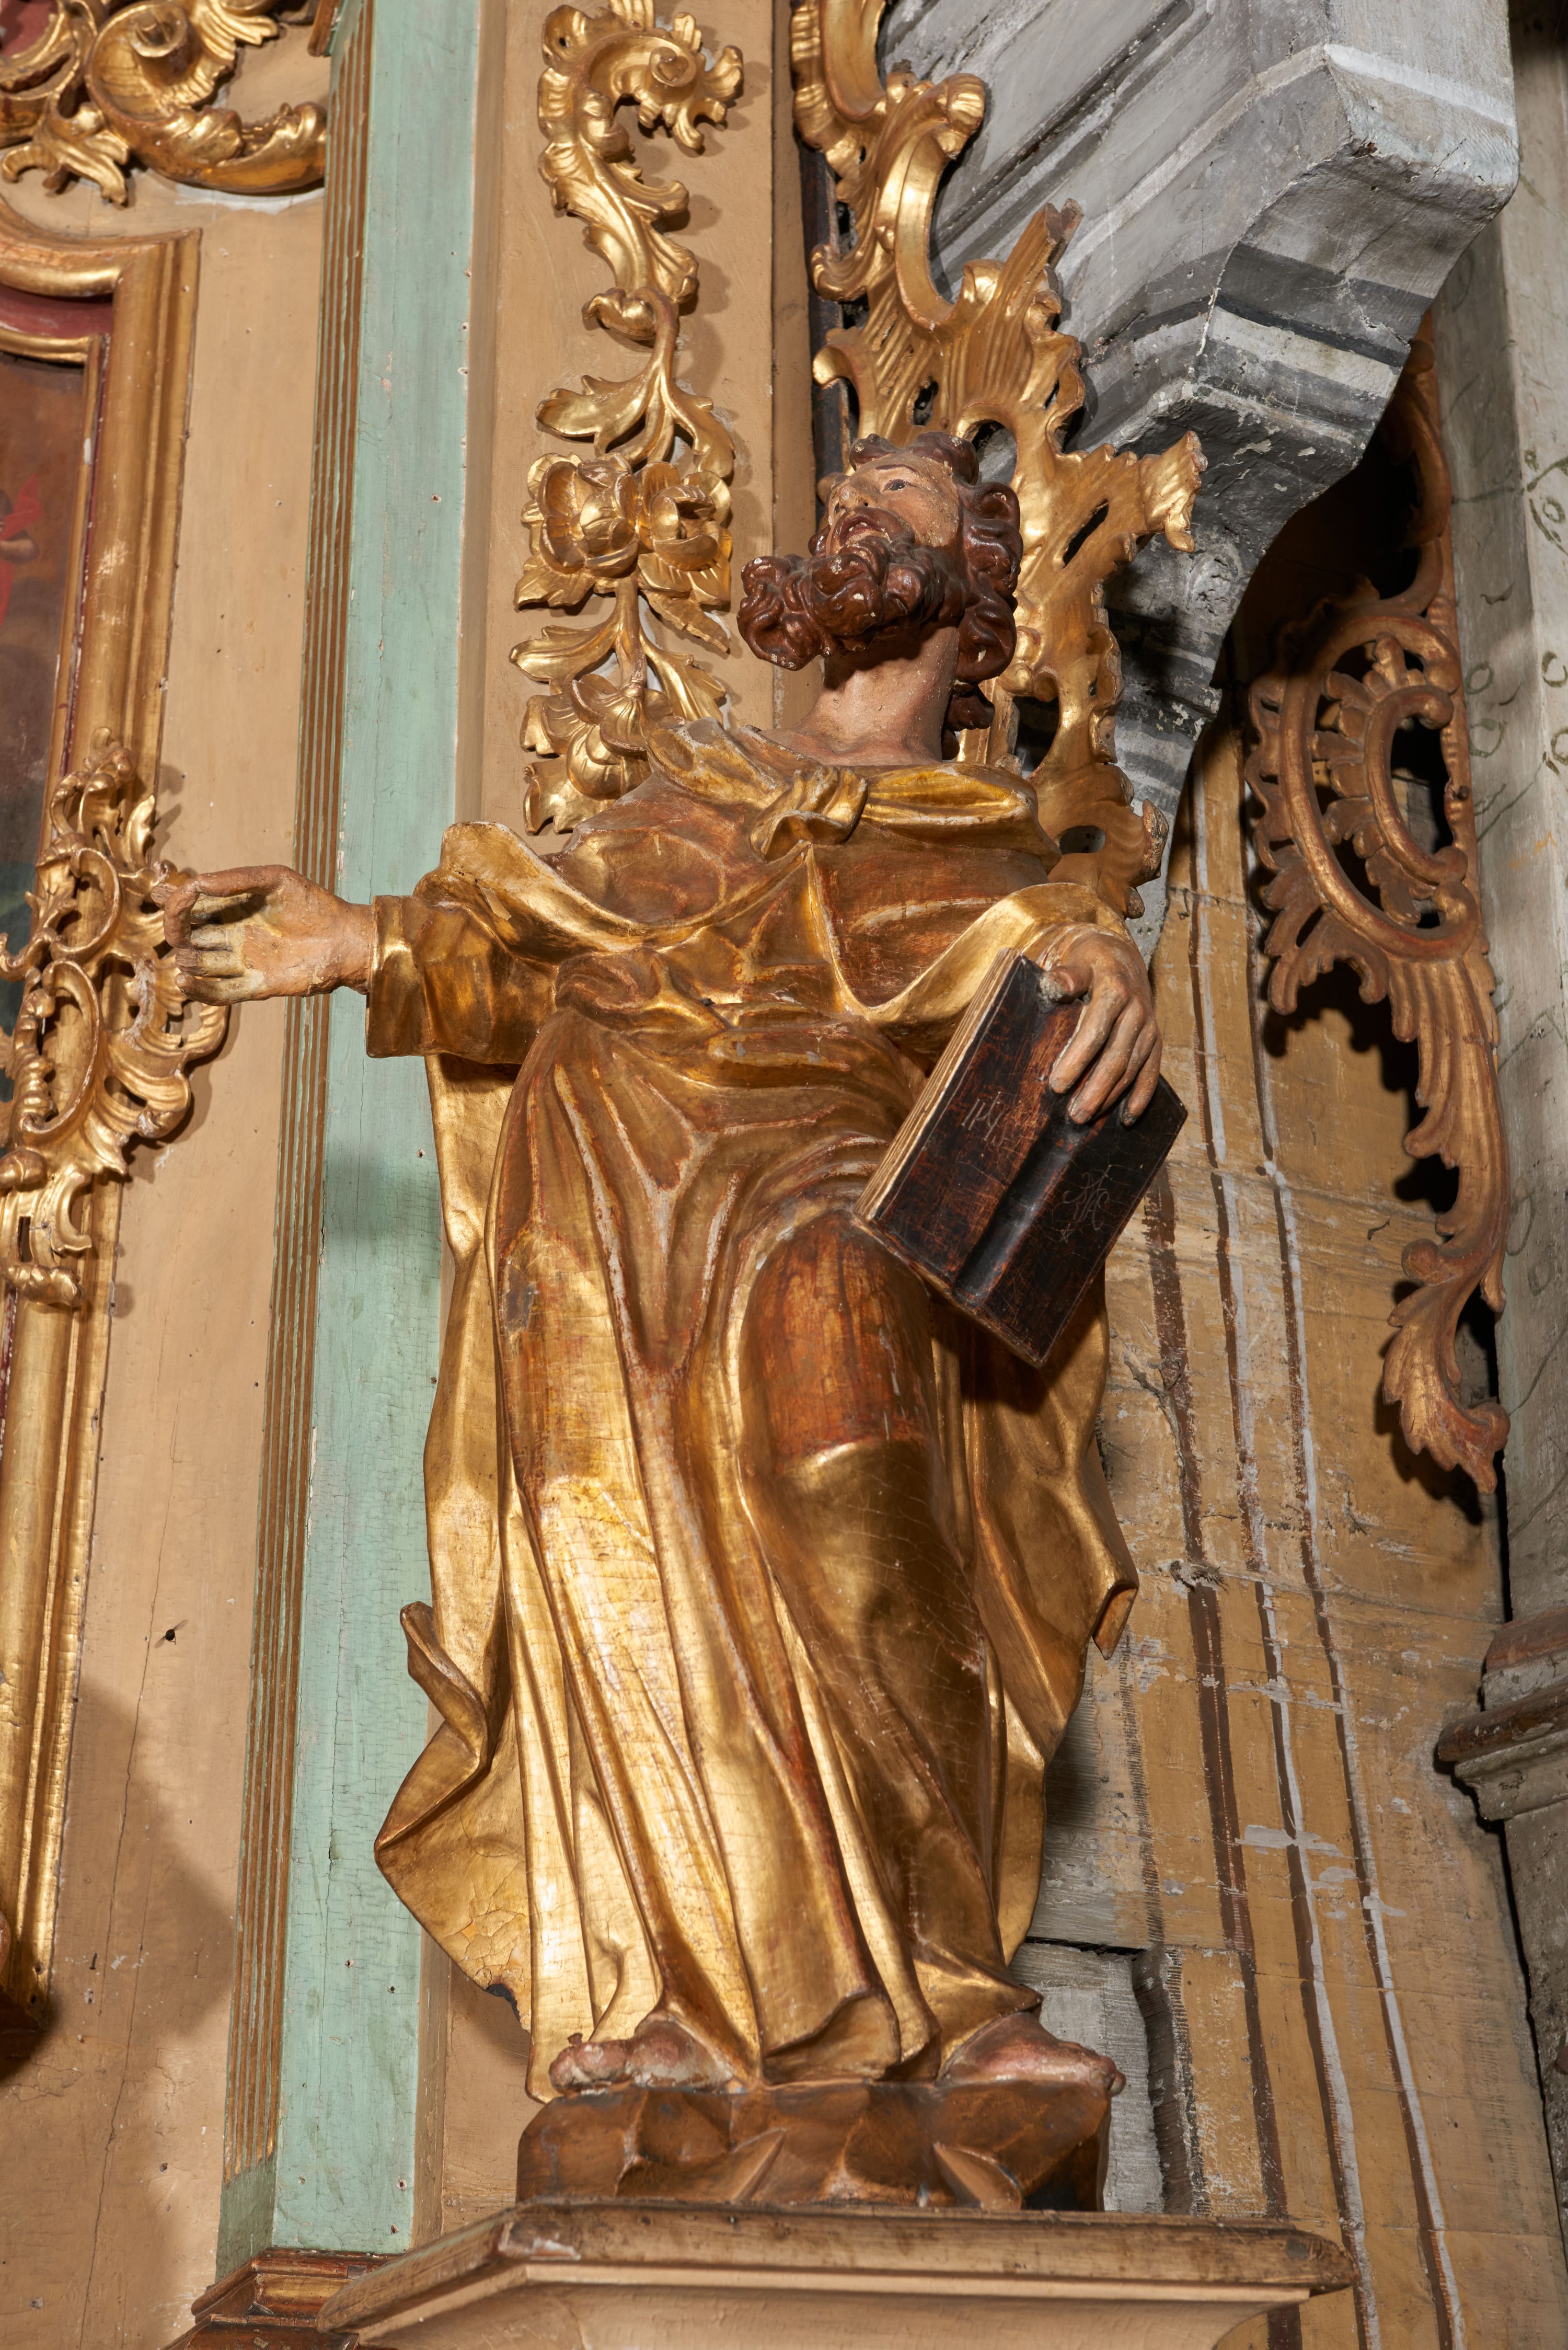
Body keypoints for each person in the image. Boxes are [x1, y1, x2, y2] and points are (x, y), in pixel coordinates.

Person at [164, 432, 1159, 2105]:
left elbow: (1044, 977)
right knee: (613, 1554)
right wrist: (363, 945)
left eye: (898, 495)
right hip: (607, 1188)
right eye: (841, 493)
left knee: (851, 1491)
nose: (850, 507)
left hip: (822, 1184)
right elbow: (543, 958)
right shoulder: (688, 793)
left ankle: (953, 1990)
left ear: (974, 585)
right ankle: (694, 1996)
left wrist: (1101, 957)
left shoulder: (994, 839)